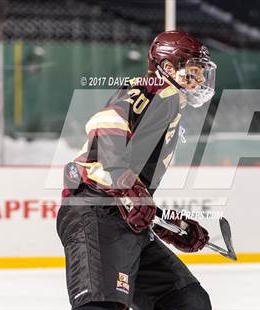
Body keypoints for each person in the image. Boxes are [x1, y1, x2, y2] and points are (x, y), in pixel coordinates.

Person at [57, 31, 217, 310]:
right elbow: (105, 125)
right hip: (94, 210)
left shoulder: (171, 108)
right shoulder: (152, 89)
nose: (201, 79)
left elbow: (134, 189)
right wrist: (127, 186)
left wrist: (168, 225)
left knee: (188, 302)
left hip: (122, 219)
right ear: (168, 69)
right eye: (194, 70)